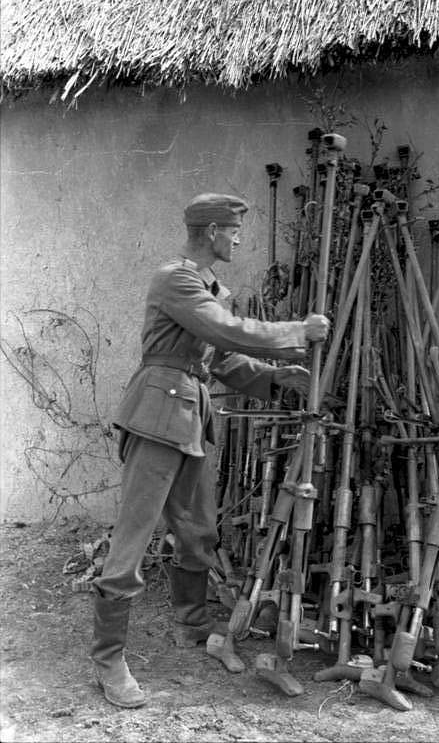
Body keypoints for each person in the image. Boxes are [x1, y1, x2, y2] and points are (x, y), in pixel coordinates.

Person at [90, 192, 330, 708]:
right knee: (133, 538)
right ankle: (109, 661)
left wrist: (272, 376)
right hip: (157, 415)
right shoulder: (174, 279)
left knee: (198, 528)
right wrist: (297, 331)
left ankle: (192, 623)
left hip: (191, 416)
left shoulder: (207, 286)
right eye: (233, 231)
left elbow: (216, 357)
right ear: (213, 231)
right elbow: (224, 330)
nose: (238, 240)